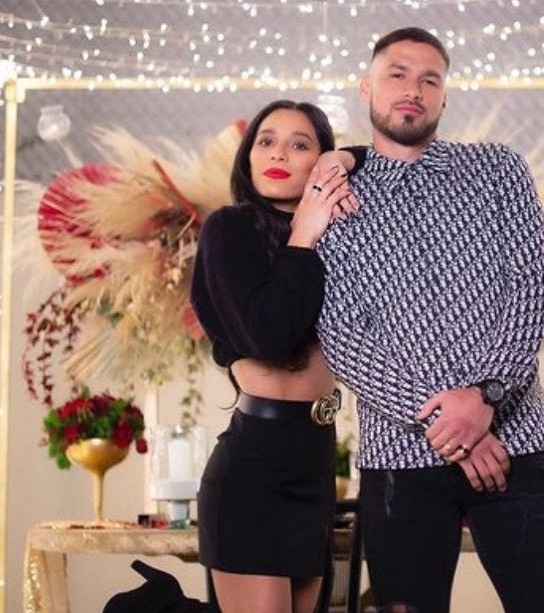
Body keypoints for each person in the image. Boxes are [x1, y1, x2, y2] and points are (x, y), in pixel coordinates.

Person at [315, 27, 544, 612]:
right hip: (398, 459)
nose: (413, 89)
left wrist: (485, 398)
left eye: (429, 79)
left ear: (444, 96)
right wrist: (451, 426)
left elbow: (534, 291)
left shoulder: (498, 170)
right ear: (366, 87)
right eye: (397, 74)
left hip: (515, 444)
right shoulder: (333, 193)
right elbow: (341, 334)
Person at [190, 99, 360, 613]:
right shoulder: (228, 230)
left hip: (315, 458)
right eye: (266, 141)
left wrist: (346, 159)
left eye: (300, 144)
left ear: (320, 163)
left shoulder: (341, 235)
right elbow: (268, 337)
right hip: (254, 466)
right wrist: (304, 230)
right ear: (248, 157)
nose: (278, 153)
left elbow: (391, 160)